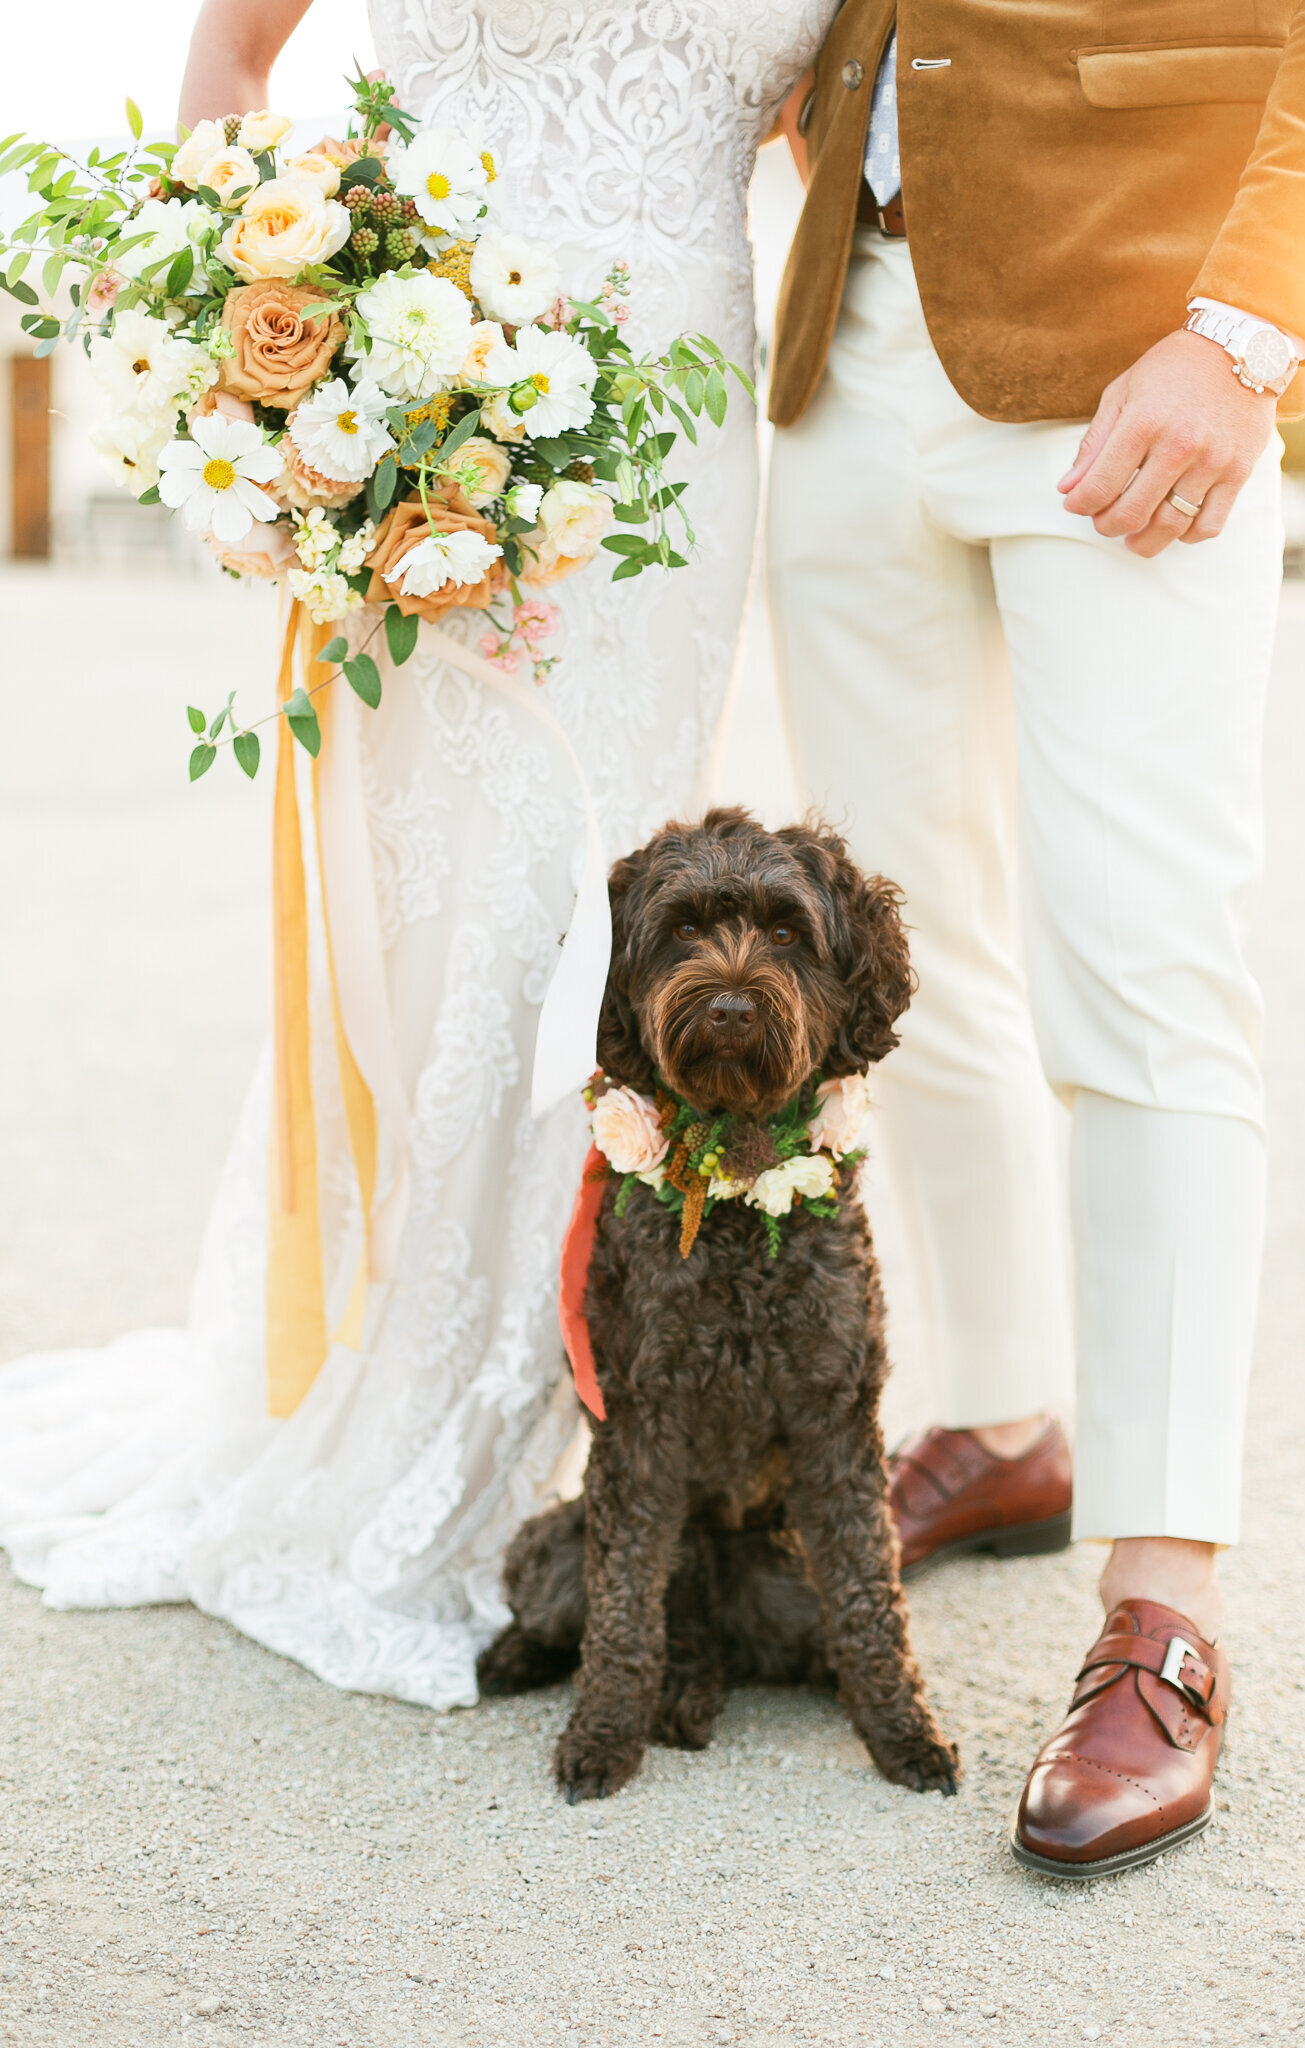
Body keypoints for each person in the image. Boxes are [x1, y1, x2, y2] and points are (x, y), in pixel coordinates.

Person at [0, 0, 837, 1709]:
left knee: (600, 924)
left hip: (679, 444)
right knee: (444, 909)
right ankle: (378, 1396)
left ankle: (555, 1411)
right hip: (423, 404)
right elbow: (234, 56)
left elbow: (833, 147)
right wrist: (237, 347)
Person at [767, 4, 1305, 1875]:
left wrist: (1242, 333)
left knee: (1142, 957)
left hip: (1144, 347)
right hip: (848, 352)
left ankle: (1163, 1594)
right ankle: (1006, 1416)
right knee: (892, 959)